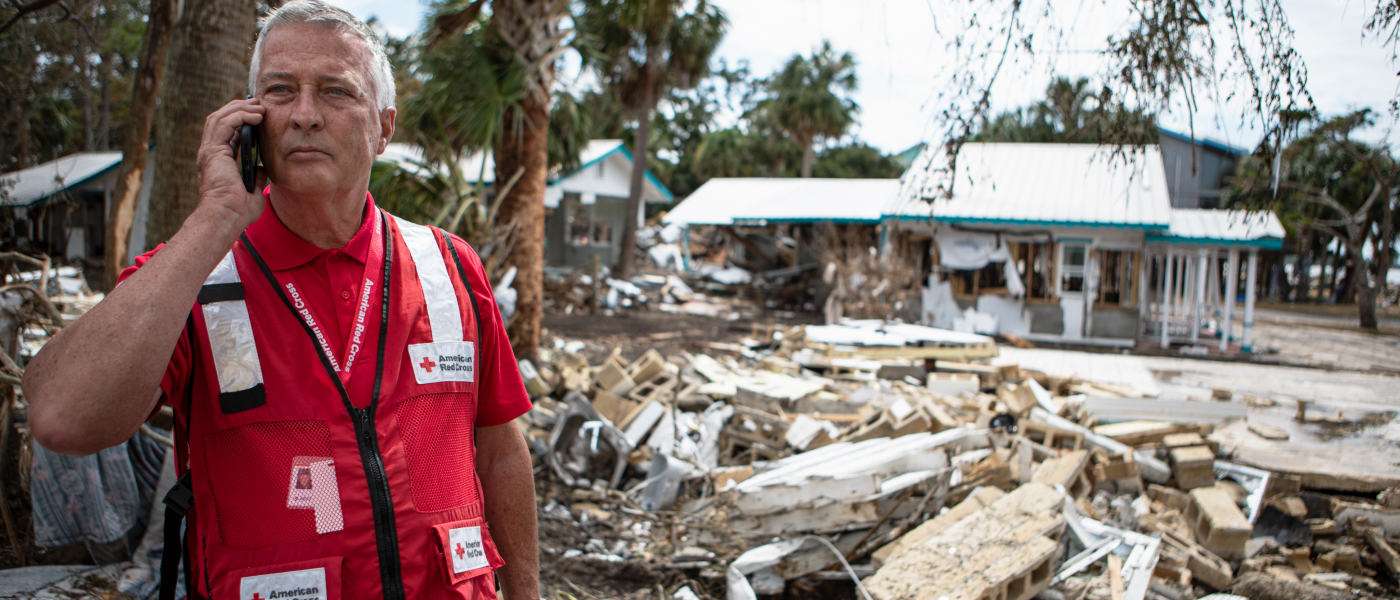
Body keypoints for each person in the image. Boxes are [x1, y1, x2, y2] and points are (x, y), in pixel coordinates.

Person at [22, 2, 539, 598]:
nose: (305, 115)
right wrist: (215, 217)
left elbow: (499, 450)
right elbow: (62, 420)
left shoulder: (449, 266)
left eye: (336, 91)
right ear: (247, 119)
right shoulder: (192, 275)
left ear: (385, 126)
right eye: (280, 90)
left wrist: (525, 591)